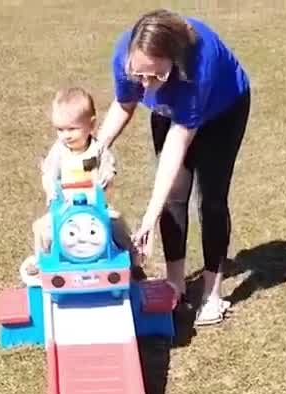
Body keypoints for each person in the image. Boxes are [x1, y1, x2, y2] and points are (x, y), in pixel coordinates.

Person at [96, 9, 251, 325]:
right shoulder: (125, 55)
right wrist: (96, 151)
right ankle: (175, 284)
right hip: (172, 111)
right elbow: (124, 104)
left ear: (175, 60)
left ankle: (212, 293)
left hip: (224, 110)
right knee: (173, 195)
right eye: (139, 74)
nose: (145, 84)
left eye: (156, 76)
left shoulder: (197, 67)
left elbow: (178, 143)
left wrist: (150, 215)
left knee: (211, 198)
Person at [22, 87, 136, 278]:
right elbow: (49, 174)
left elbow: (109, 167)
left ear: (91, 126)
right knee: (41, 228)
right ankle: (42, 261)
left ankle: (132, 260)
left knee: (117, 224)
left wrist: (106, 176)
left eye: (72, 129)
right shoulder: (58, 151)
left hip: (95, 205)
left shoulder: (98, 149)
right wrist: (51, 190)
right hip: (65, 207)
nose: (65, 135)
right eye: (60, 129)